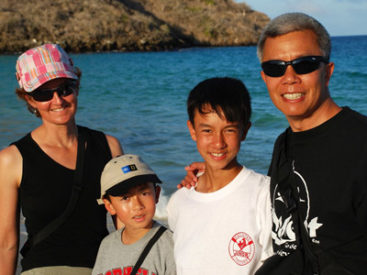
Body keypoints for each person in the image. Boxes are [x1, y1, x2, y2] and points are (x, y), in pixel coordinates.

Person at [183, 13, 367, 274]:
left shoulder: (360, 144)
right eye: (276, 67)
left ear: (327, 72)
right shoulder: (285, 144)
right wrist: (216, 170)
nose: (289, 77)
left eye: (304, 64)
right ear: (264, 78)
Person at [0, 44, 123, 275]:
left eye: (65, 88)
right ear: (30, 99)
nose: (57, 100)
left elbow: (128, 225)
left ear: (77, 86)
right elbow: (6, 242)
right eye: (44, 93)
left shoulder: (109, 147)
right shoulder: (11, 160)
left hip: (102, 269)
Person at [167, 77, 273, 274]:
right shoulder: (179, 202)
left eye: (229, 130)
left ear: (245, 131)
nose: (218, 143)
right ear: (192, 130)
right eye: (207, 130)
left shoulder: (265, 194)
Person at [92, 154, 176, 275]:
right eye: (125, 197)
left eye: (144, 193)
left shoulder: (170, 245)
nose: (137, 206)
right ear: (110, 206)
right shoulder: (107, 245)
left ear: (156, 194)